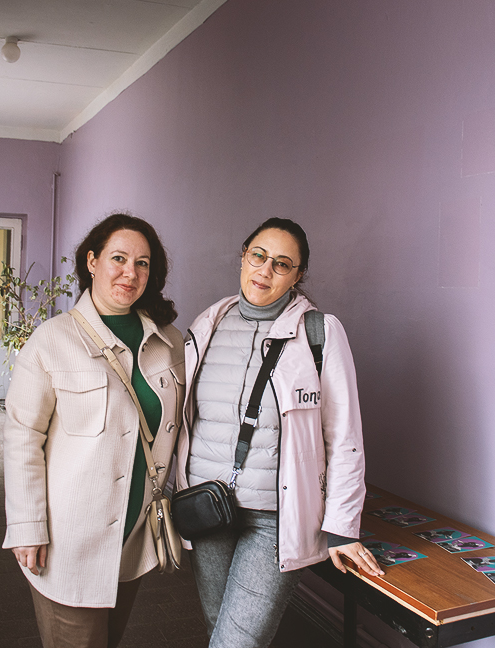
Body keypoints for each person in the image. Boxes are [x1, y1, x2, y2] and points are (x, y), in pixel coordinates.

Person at [175, 217, 380, 648]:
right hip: (208, 506)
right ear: (243, 256)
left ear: (297, 275)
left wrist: (342, 527)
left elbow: (344, 437)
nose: (265, 271)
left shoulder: (319, 333)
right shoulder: (207, 324)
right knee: (218, 627)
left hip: (274, 519)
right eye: (258, 256)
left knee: (236, 643)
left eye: (282, 264)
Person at [2, 213, 184, 648]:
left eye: (142, 263)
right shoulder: (52, 340)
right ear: (92, 261)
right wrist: (27, 525)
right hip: (70, 538)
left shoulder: (170, 341)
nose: (130, 273)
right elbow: (22, 437)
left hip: (134, 535)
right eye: (118, 258)